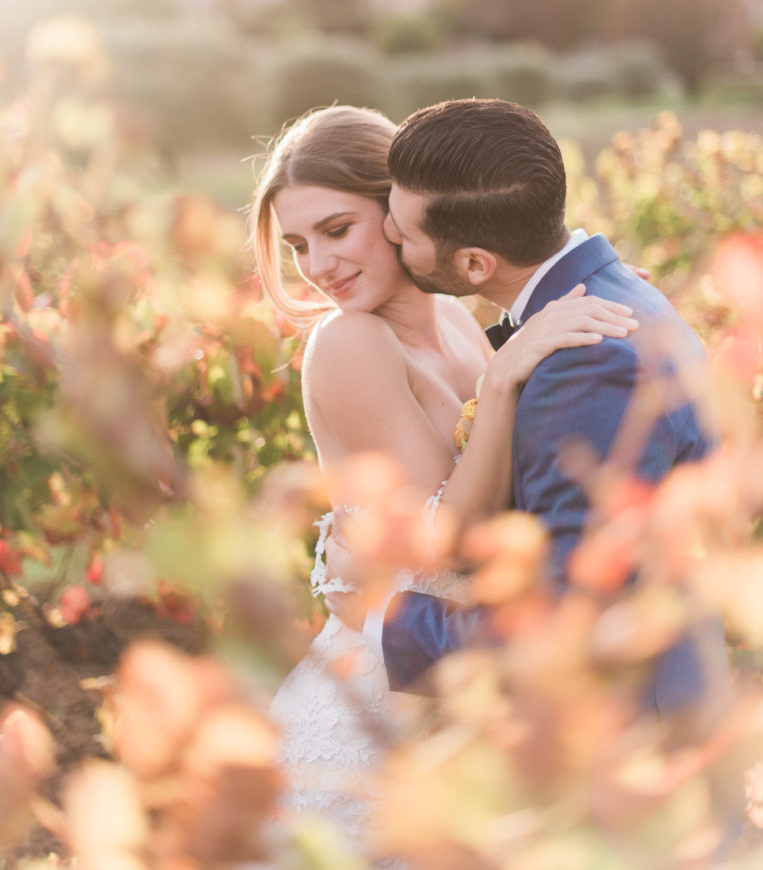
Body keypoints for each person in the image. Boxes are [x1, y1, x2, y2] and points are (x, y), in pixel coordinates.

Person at [325, 96, 736, 852]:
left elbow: (566, 619)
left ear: (474, 263)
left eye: (403, 232)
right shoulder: (610, 297)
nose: (387, 234)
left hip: (625, 756)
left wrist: (381, 620)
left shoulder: (586, 361)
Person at [249, 103, 639, 860]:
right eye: (298, 245)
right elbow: (447, 541)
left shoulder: (458, 320)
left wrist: (579, 325)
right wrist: (504, 378)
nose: (318, 266)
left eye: (336, 230)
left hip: (454, 688)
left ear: (398, 209)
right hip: (376, 713)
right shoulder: (348, 342)